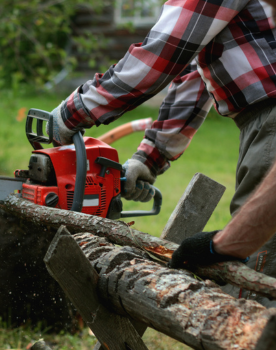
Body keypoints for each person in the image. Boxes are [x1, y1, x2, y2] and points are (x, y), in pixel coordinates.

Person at [48, 0, 276, 307]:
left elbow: (163, 53)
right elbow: (196, 73)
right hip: (258, 122)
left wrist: (72, 113)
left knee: (260, 278)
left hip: (269, 119)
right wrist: (149, 156)